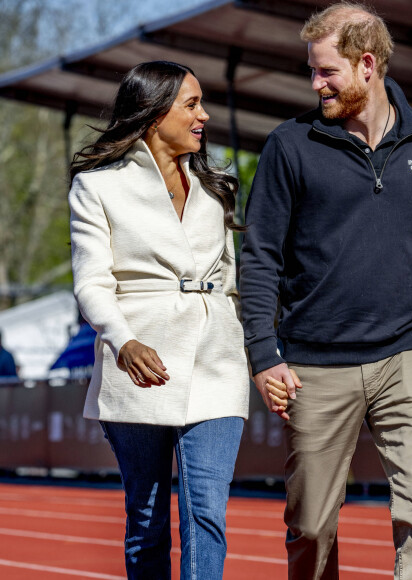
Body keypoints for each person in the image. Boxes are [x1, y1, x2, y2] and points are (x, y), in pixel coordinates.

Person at [240, 3, 412, 579]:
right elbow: (259, 256)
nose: (315, 83)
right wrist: (263, 355)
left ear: (367, 65)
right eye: (312, 70)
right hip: (314, 362)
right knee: (311, 525)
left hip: (407, 352)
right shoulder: (290, 145)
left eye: (326, 71)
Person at [68, 61, 249, 580]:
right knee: (146, 519)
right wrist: (123, 341)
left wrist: (258, 358)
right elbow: (91, 282)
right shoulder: (97, 187)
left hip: (217, 363)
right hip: (138, 366)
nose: (204, 115)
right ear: (152, 113)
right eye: (191, 104)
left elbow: (233, 286)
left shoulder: (217, 189)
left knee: (206, 513)